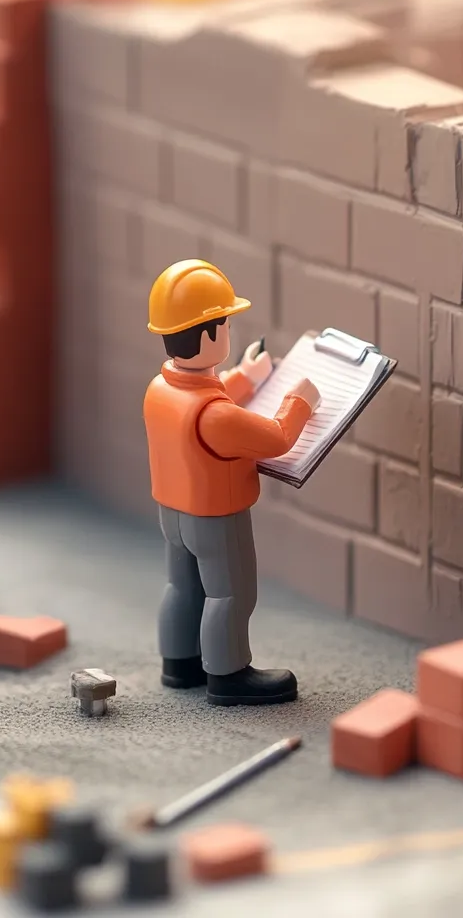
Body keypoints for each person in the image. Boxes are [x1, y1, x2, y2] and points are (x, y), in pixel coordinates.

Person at [142, 259, 321, 706]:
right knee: (230, 592)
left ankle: (179, 664)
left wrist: (247, 376)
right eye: (224, 324)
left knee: (182, 586)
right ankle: (228, 674)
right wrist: (300, 401)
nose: (228, 332)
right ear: (207, 335)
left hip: (172, 512)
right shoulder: (215, 415)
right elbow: (276, 438)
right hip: (215, 518)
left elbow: (207, 390)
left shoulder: (161, 390)